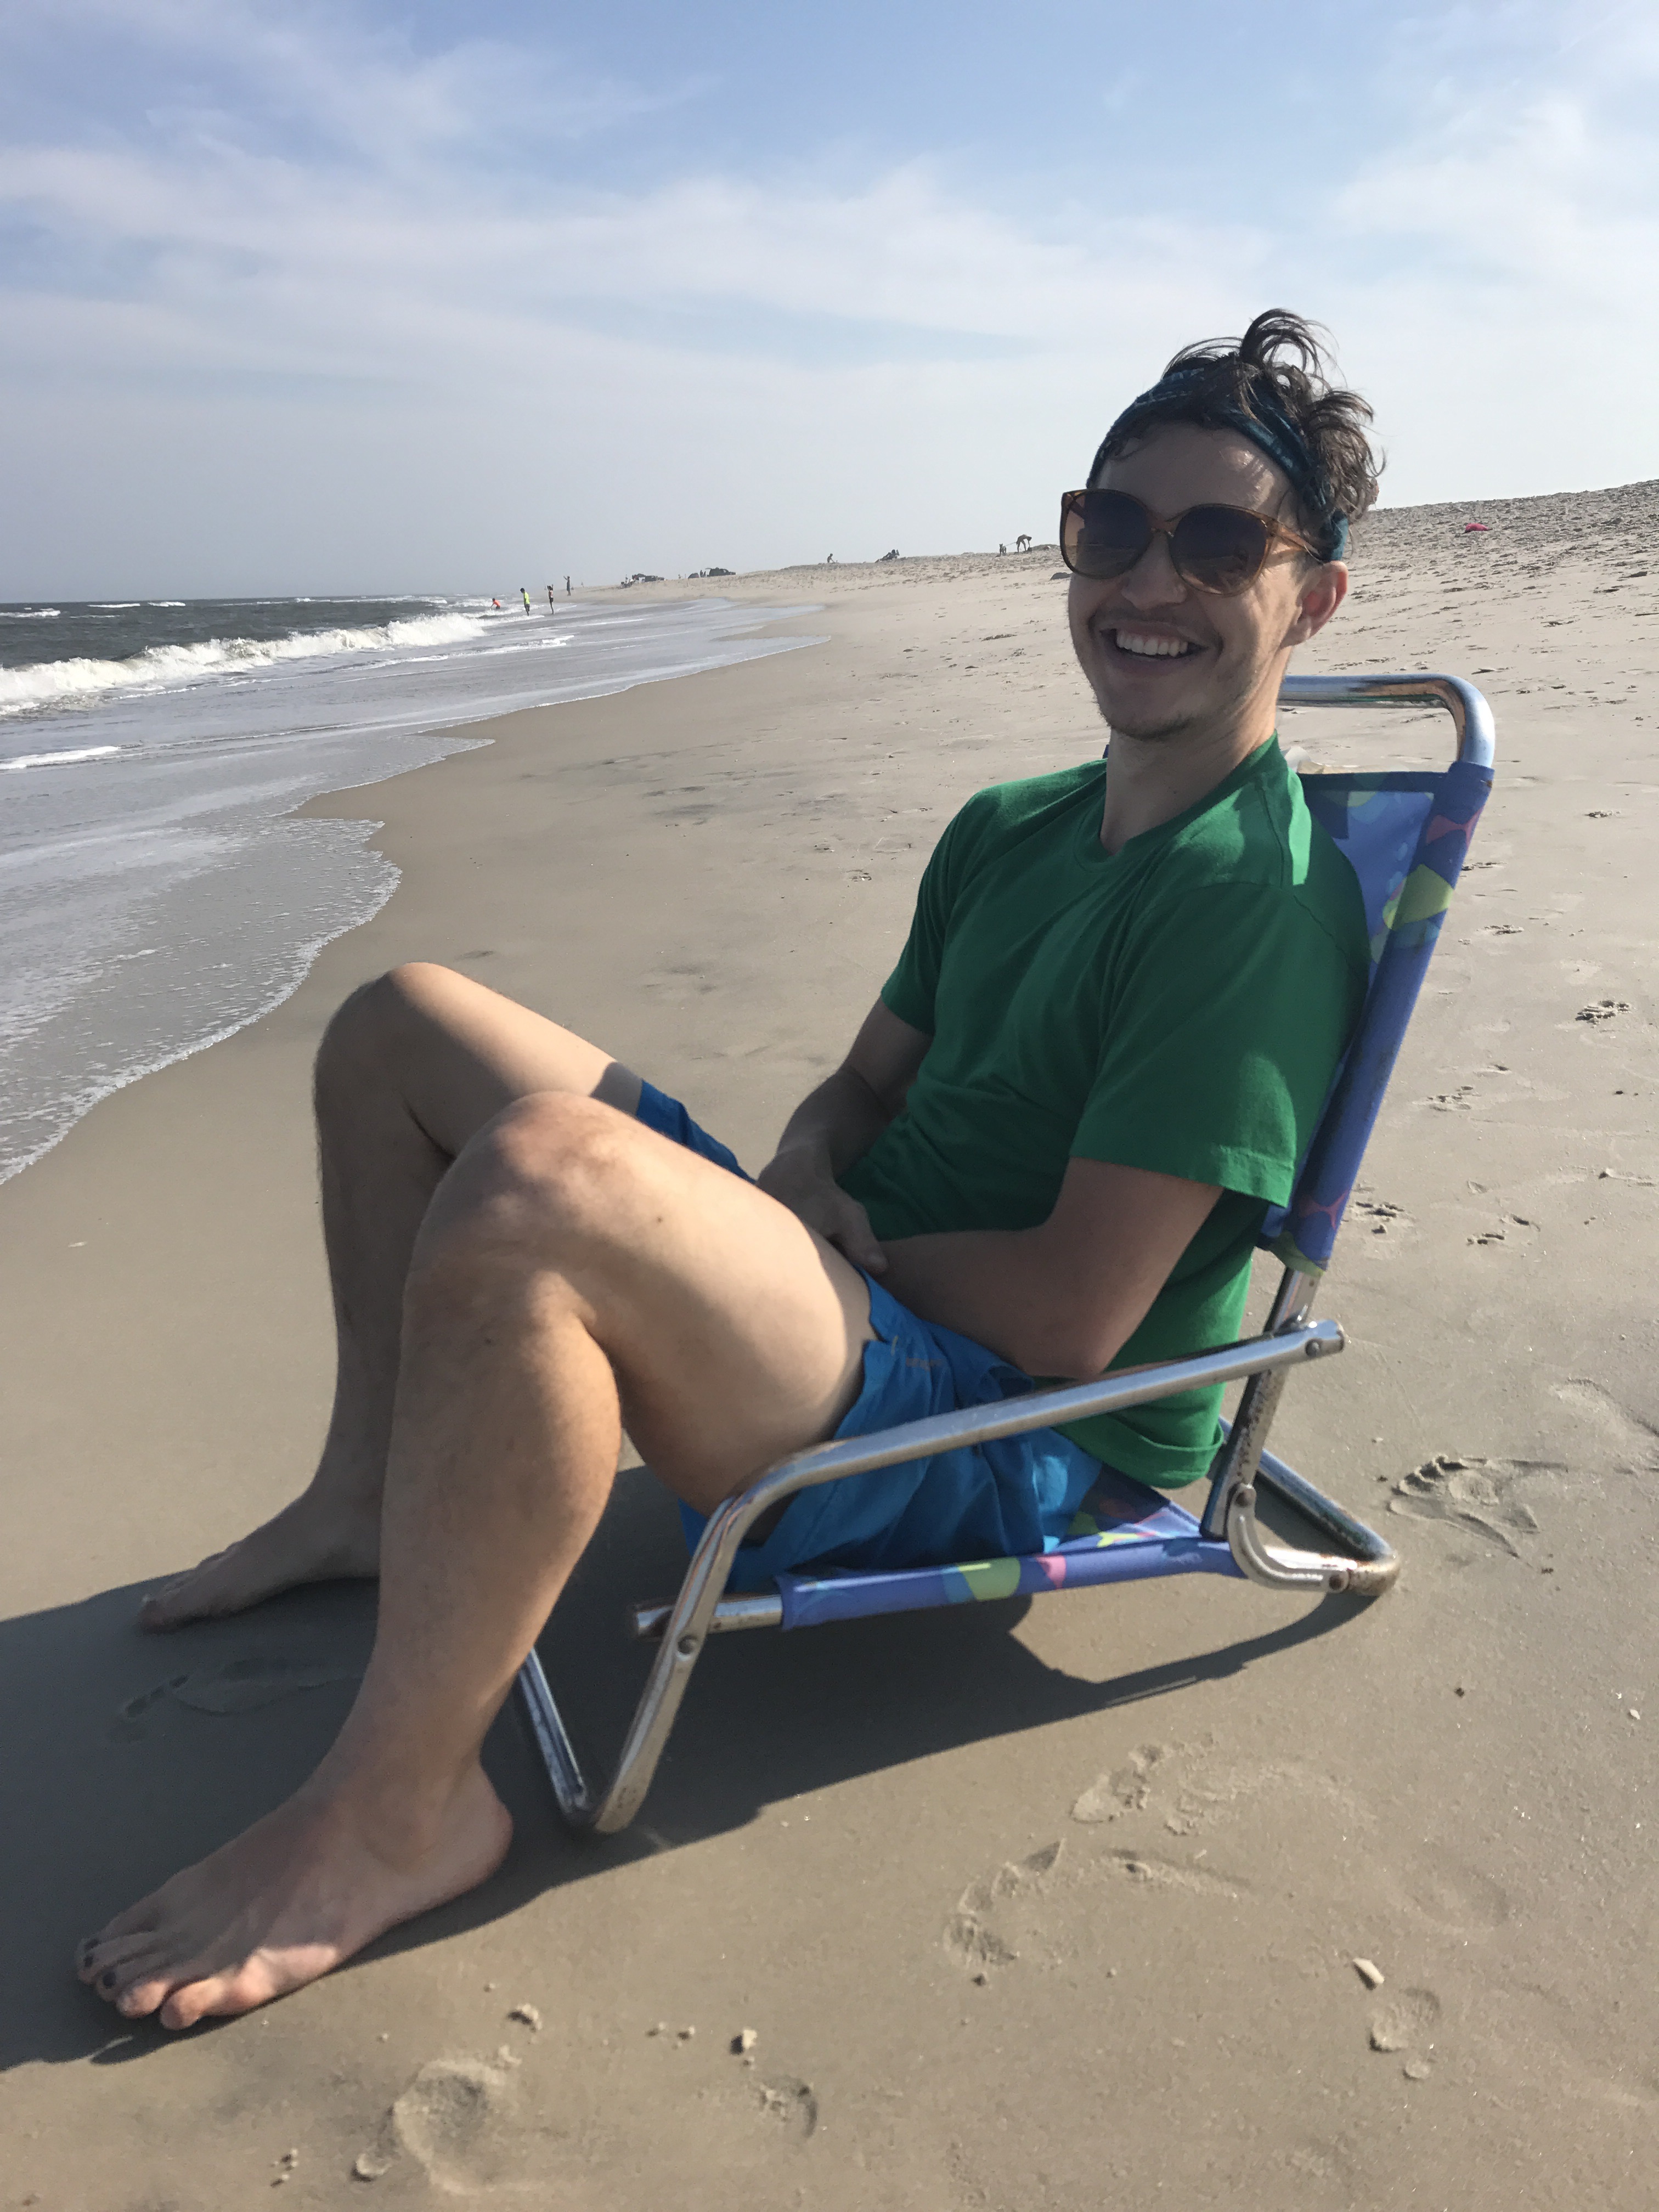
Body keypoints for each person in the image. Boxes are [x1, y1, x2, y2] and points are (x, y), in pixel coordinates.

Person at [78, 309, 1380, 2029]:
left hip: (1011, 1424)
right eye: (1115, 527)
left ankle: (401, 1815)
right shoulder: (1013, 830)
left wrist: (818, 1248)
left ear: (1313, 597)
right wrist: (805, 1175)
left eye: (1219, 544)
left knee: (541, 1182)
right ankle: (365, 1498)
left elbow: (1074, 1319)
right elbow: (860, 1086)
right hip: (850, 1292)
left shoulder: (1247, 904)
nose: (1151, 580)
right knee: (402, 1025)